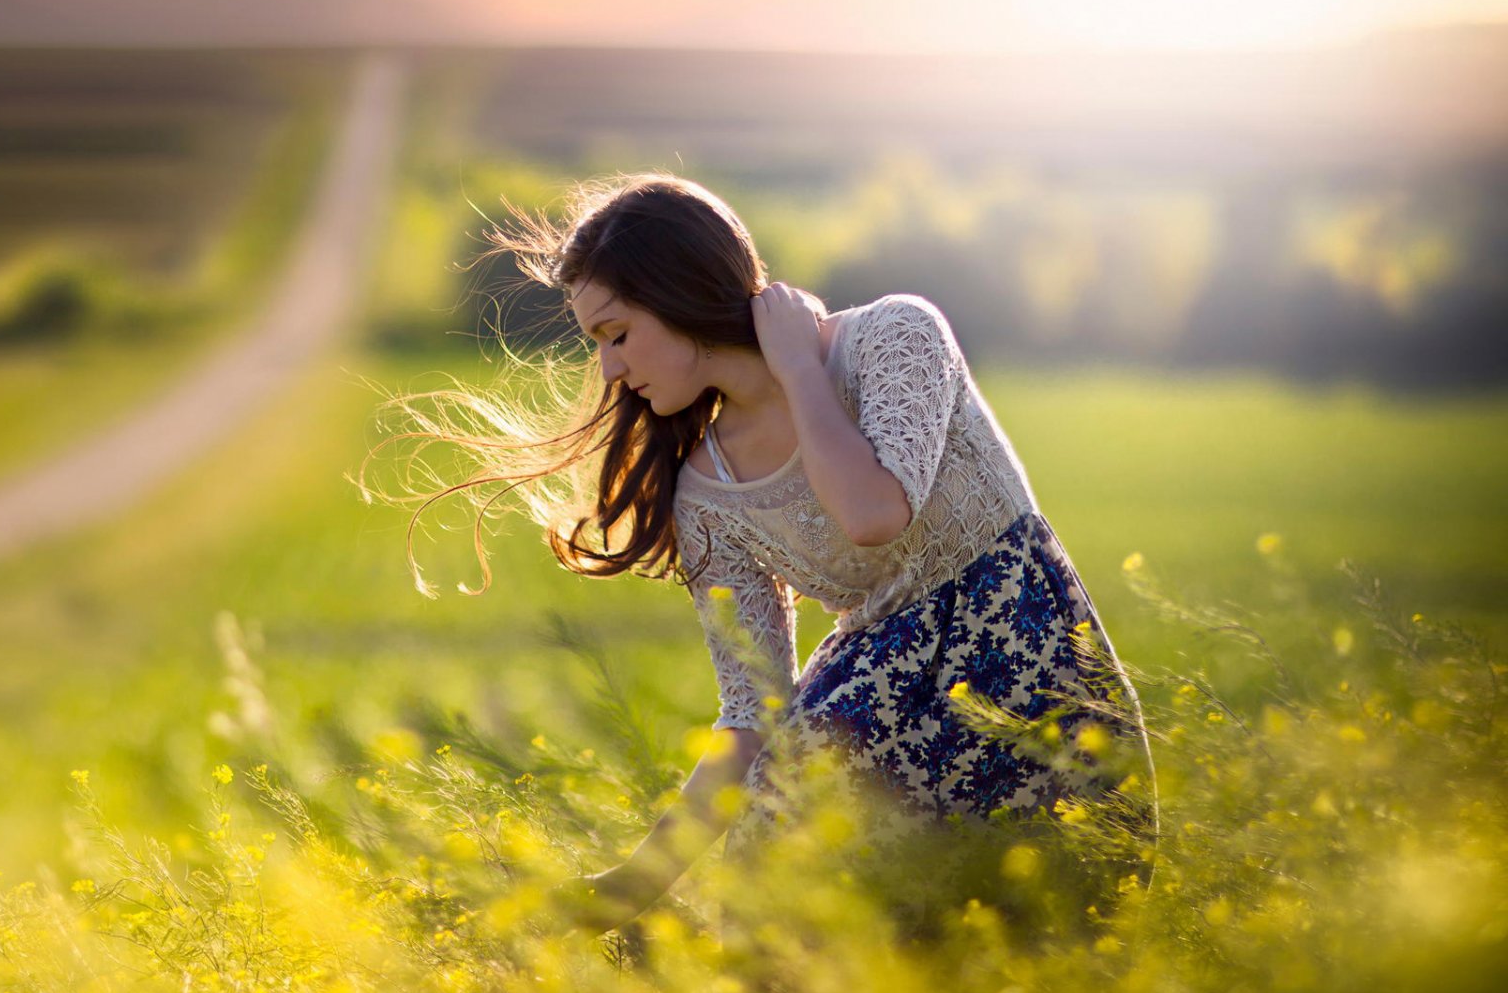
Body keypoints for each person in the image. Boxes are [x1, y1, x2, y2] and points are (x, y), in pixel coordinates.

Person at [374, 171, 1156, 938]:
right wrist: (634, 883)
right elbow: (754, 712)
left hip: (1028, 674)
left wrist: (798, 371)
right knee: (803, 932)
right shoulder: (704, 497)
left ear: (679, 291)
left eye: (617, 334)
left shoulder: (895, 335)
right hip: (878, 720)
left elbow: (872, 512)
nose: (610, 368)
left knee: (1057, 948)